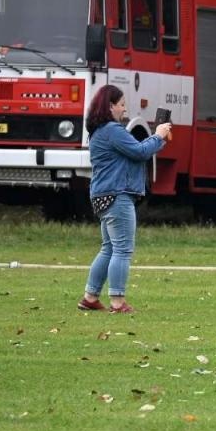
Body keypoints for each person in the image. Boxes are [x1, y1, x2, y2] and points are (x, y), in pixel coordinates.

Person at [78, 86, 172, 313]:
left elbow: (133, 153)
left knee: (109, 248)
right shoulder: (112, 130)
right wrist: (158, 135)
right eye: (121, 104)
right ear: (110, 106)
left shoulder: (99, 130)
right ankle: (117, 302)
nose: (124, 109)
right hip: (117, 195)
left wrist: (158, 141)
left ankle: (90, 297)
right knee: (122, 250)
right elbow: (139, 152)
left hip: (102, 194)